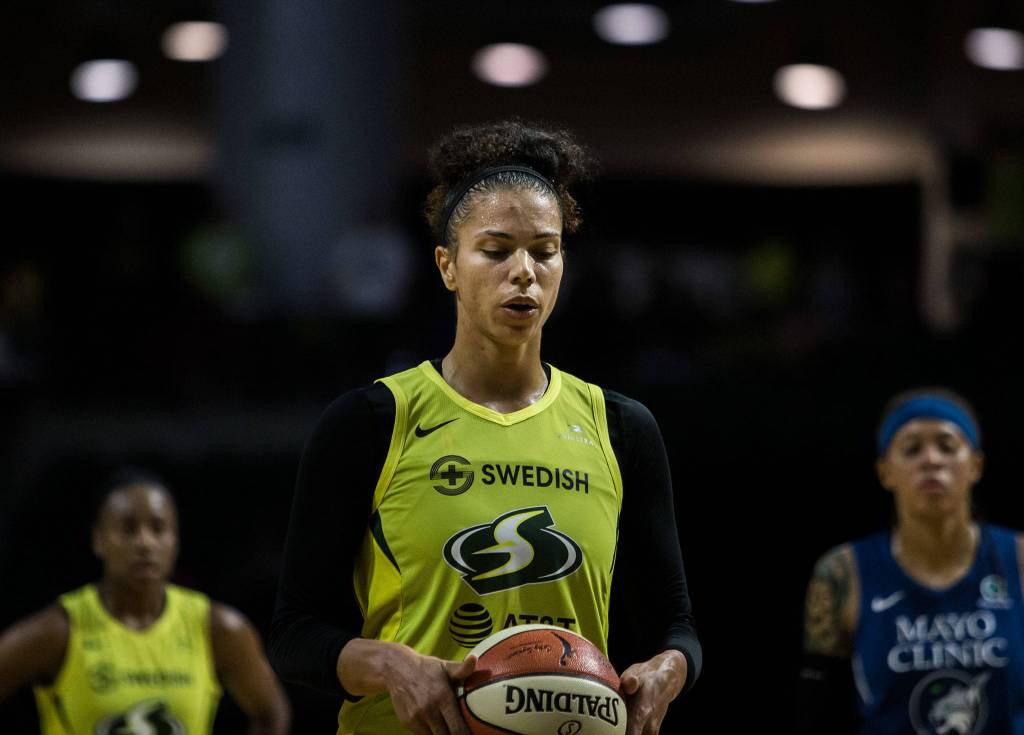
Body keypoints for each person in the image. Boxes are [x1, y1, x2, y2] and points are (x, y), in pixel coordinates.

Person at [269, 118, 702, 735]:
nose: (524, 271)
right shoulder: (372, 421)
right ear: (447, 265)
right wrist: (392, 666)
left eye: (545, 251)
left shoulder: (620, 427)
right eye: (496, 251)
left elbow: (676, 624)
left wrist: (668, 670)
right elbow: (293, 634)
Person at [798, 388, 1024, 734]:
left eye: (947, 446)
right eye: (912, 448)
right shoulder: (842, 573)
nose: (931, 460)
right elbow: (817, 715)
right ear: (885, 471)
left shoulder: (1020, 560)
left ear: (976, 465)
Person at [0, 468, 291, 735]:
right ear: (98, 540)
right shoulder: (58, 631)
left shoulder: (217, 628)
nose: (145, 542)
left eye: (158, 528)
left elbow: (271, 713)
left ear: (175, 540)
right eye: (128, 529)